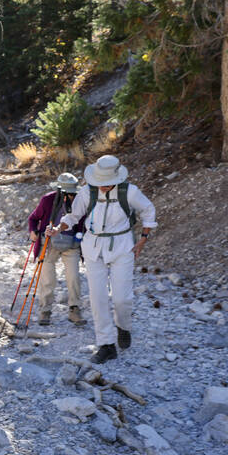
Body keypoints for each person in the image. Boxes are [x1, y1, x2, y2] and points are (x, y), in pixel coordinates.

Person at [51, 154, 156, 364]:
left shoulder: (130, 192)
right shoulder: (87, 192)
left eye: (108, 183)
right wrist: (57, 228)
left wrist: (143, 238)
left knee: (122, 299)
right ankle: (106, 345)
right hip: (93, 247)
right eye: (101, 183)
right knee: (98, 298)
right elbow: (74, 216)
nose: (104, 187)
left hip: (123, 246)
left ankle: (123, 327)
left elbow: (148, 210)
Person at [27, 172, 86, 326]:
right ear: (60, 191)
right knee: (47, 279)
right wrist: (33, 231)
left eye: (73, 193)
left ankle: (74, 310)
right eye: (68, 193)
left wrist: (80, 236)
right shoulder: (47, 200)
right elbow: (33, 218)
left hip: (71, 243)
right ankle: (45, 311)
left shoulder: (79, 201)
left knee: (73, 277)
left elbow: (82, 223)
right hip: (49, 244)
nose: (71, 196)